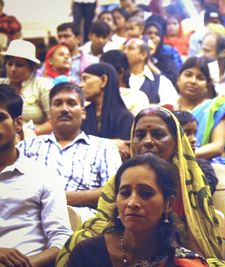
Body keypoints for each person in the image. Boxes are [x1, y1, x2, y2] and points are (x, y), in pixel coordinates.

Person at [56, 107, 225, 267]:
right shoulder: (121, 179)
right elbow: (104, 223)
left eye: (158, 134)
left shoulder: (191, 183)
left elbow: (200, 240)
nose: (148, 141)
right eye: (140, 134)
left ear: (176, 142)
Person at [67, 154, 208, 267]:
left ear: (168, 204)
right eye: (125, 193)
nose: (132, 202)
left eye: (146, 193)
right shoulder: (87, 253)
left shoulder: (182, 263)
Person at [17, 82, 121, 221]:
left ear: (83, 112)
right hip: (29, 219)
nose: (64, 109)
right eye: (58, 103)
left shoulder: (104, 148)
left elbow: (113, 191)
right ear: (50, 113)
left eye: (71, 103)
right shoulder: (27, 146)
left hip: (82, 225)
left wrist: (57, 197)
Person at [0, 84, 72, 267]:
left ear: (18, 124)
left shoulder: (42, 176)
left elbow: (62, 240)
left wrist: (26, 265)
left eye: (0, 118)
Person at [176, 57, 225, 170]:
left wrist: (181, 156)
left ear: (207, 85)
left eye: (200, 78)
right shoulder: (167, 108)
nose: (193, 81)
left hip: (206, 166)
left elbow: (217, 147)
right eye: (188, 74)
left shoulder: (217, 107)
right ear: (178, 78)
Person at [80, 63, 134, 159]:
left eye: (85, 79)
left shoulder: (125, 118)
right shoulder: (82, 115)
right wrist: (110, 144)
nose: (80, 85)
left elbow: (124, 152)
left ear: (103, 80)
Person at [0, 39, 53, 135]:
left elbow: (53, 120)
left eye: (19, 65)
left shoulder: (42, 85)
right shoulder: (1, 84)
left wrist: (29, 133)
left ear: (32, 68)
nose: (13, 69)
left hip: (36, 138)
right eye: (10, 63)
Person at [173, 110, 218, 195]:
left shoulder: (203, 168)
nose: (194, 139)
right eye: (186, 133)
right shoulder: (160, 166)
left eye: (195, 134)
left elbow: (203, 195)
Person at [122, 38, 178, 105]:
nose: (125, 52)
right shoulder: (119, 78)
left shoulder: (161, 81)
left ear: (143, 55)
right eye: (124, 49)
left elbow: (170, 106)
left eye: (130, 48)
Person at [100, 49, 149, 115]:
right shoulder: (97, 95)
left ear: (121, 72)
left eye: (104, 72)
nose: (100, 77)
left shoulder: (137, 97)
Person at [144, 19, 182, 85]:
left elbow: (173, 80)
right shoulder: (134, 53)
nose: (152, 36)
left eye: (156, 34)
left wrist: (149, 63)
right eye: (149, 33)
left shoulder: (166, 57)